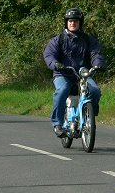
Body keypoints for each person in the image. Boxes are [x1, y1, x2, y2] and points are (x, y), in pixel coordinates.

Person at [43, 7, 106, 138]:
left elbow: (96, 53)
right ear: (66, 22)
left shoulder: (88, 40)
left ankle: (89, 115)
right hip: (63, 74)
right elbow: (49, 55)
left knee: (94, 90)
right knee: (62, 90)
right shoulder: (58, 40)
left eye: (76, 21)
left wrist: (98, 64)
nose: (73, 23)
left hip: (83, 74)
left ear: (80, 23)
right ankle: (57, 123)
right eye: (70, 21)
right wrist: (56, 64)